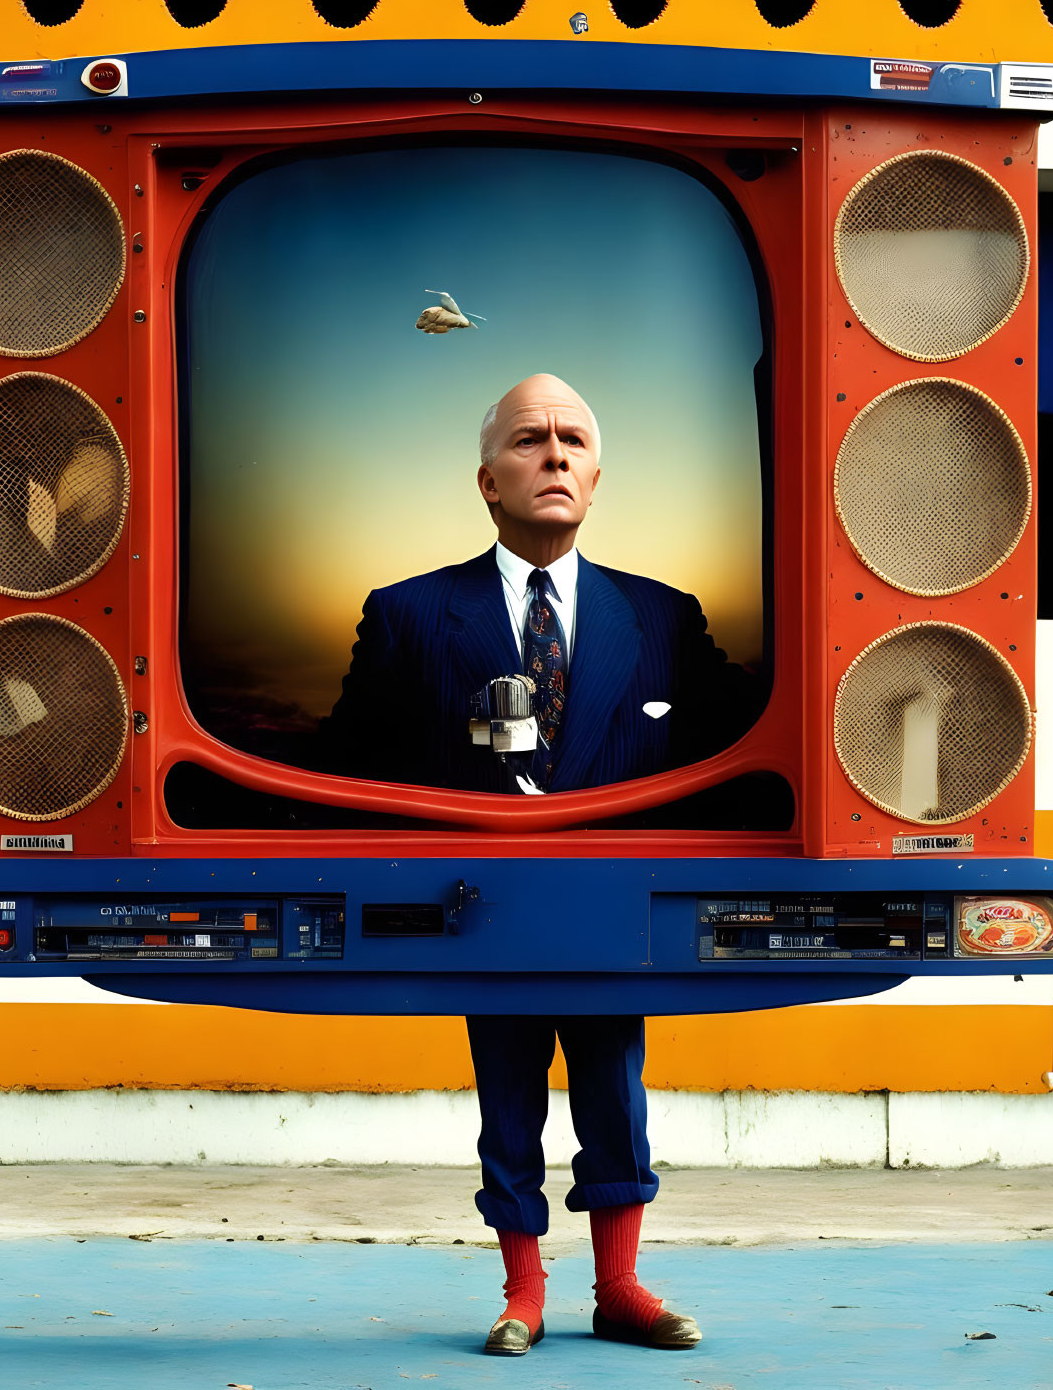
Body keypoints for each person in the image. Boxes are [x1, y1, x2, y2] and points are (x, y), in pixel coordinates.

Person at [323, 374, 760, 1354]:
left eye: (572, 440)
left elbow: (735, 742)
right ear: (488, 479)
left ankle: (621, 1292)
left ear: (597, 477)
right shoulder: (405, 615)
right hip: (483, 905)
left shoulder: (666, 617)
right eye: (529, 439)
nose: (553, 453)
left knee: (617, 1091)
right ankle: (524, 1294)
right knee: (506, 1095)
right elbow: (342, 764)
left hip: (616, 906)